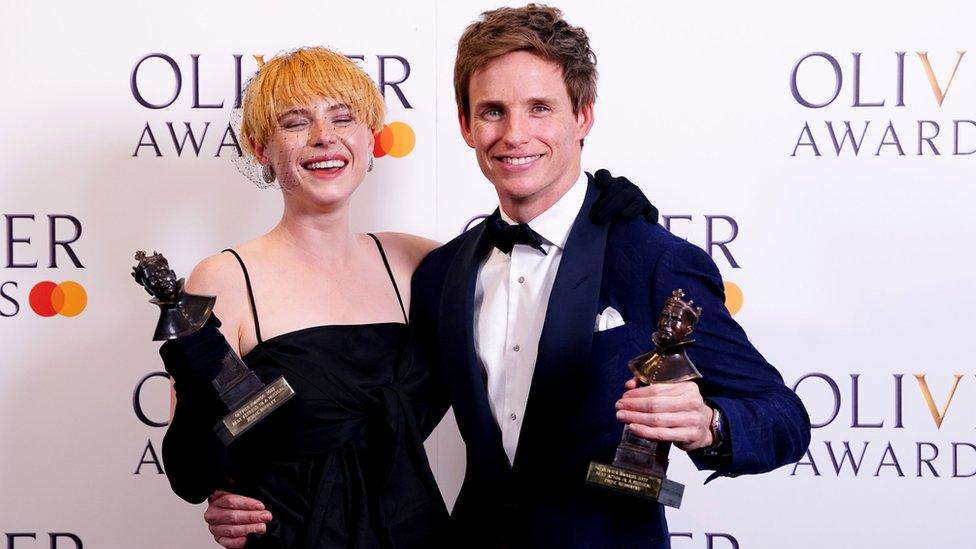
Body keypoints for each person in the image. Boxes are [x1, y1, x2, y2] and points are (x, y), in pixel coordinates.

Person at [204, 5, 811, 549]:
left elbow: (783, 417)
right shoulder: (441, 270)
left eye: (540, 108)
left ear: (583, 116)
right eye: (493, 111)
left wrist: (711, 424)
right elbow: (349, 406)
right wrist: (247, 489)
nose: (514, 134)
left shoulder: (648, 256)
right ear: (467, 127)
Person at [160, 47, 451, 548]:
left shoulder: (420, 262)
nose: (324, 137)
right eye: (296, 122)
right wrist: (221, 492)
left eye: (343, 118)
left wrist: (608, 217)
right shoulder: (224, 278)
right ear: (261, 148)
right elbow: (192, 464)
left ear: (370, 139)